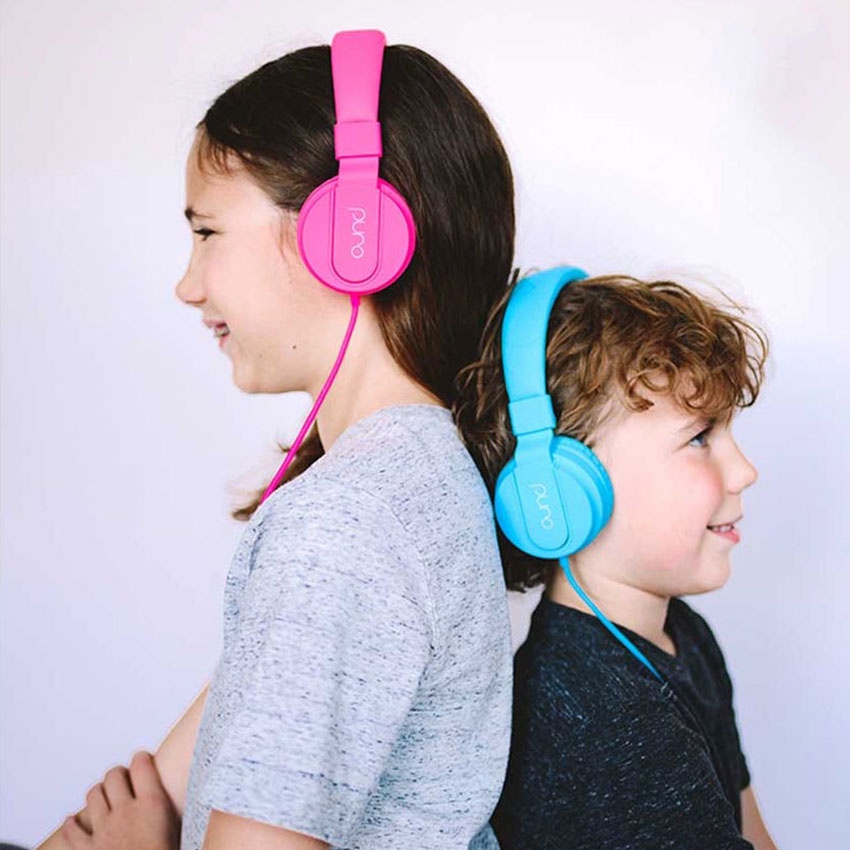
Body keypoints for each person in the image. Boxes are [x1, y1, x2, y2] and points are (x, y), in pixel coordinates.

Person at [39, 30, 515, 850]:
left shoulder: (344, 526)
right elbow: (165, 783)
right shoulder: (414, 479)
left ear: (349, 235)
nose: (187, 285)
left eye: (207, 233)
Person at [454, 267, 779, 849]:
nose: (745, 471)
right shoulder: (607, 718)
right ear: (557, 491)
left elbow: (751, 831)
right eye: (699, 437)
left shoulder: (683, 635)